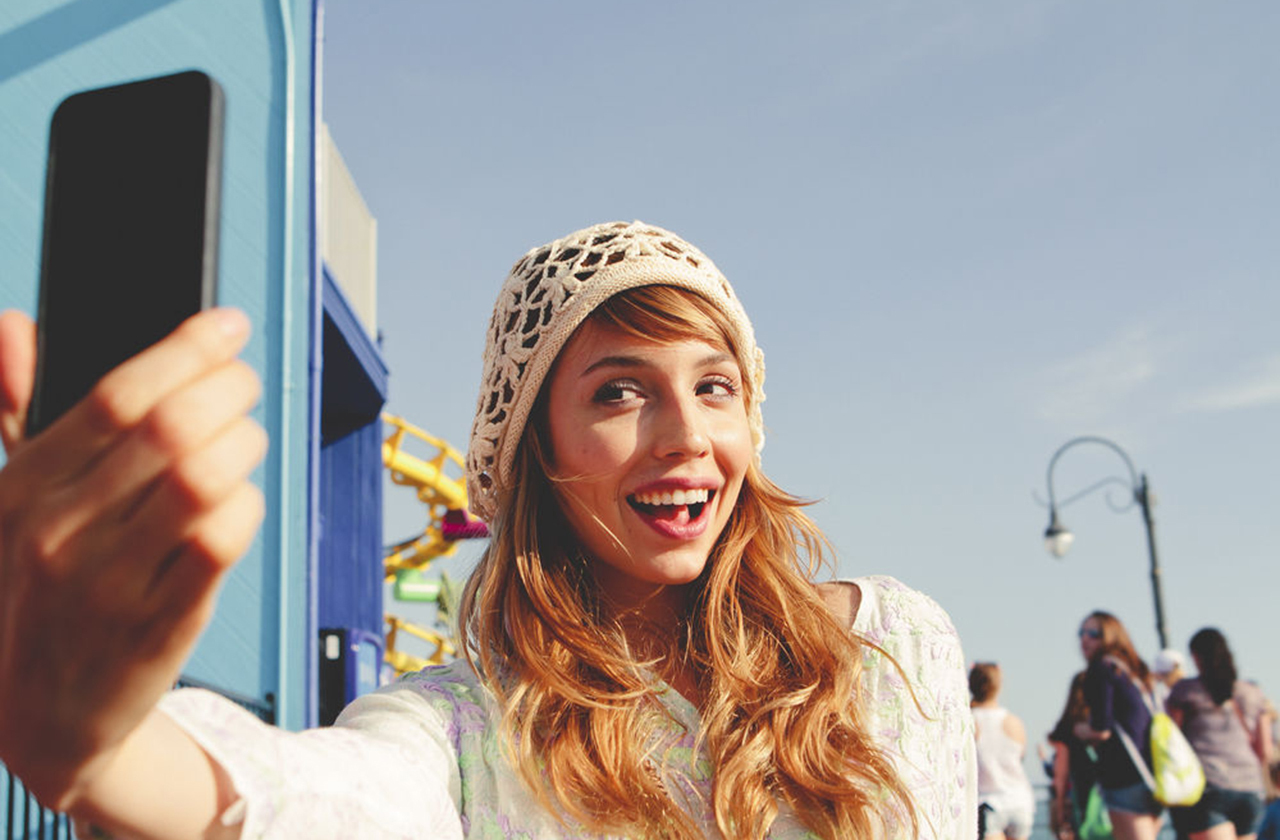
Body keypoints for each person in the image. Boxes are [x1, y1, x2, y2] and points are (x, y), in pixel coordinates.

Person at [0, 220, 977, 839]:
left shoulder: (890, 644)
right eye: (620, 391)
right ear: (534, 451)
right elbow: (324, 800)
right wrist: (103, 753)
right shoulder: (466, 730)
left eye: (713, 386)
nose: (686, 435)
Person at [1166, 628, 1273, 840]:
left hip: (1208, 785)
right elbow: (1265, 751)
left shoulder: (1186, 691)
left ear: (1197, 657)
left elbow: (1172, 740)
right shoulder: (1252, 693)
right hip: (1250, 788)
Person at [1073, 611, 1164, 840]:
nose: (1084, 639)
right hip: (1151, 771)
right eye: (1081, 633)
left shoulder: (1101, 669)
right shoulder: (1134, 671)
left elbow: (1101, 728)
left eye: (1093, 633)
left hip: (1123, 772)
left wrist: (1081, 730)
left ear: (1110, 636)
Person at [970, 663, 1036, 840]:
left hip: (989, 803)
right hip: (1020, 801)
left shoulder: (970, 720)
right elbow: (1021, 757)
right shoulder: (1014, 721)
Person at [1048, 671, 1108, 840]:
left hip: (1082, 795)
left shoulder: (1069, 727)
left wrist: (1060, 807)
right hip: (1112, 793)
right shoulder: (1107, 724)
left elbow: (1061, 774)